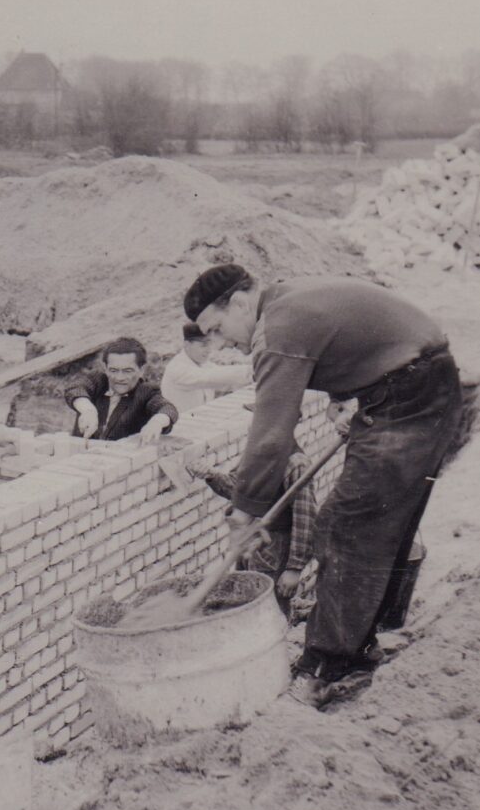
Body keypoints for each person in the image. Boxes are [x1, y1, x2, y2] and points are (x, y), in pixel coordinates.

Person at [183, 264, 463, 707]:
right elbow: (348, 339)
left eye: (218, 329)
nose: (222, 345)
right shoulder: (290, 301)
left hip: (411, 399)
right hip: (418, 386)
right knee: (379, 524)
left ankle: (327, 665)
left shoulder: (274, 329)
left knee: (342, 528)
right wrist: (342, 400)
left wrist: (244, 510)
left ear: (239, 303)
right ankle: (365, 641)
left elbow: (271, 432)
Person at [191, 439, 317, 621]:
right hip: (249, 541)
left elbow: (305, 517)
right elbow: (237, 489)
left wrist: (294, 568)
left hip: (274, 546)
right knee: (245, 601)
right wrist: (211, 474)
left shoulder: (296, 463)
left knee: (270, 609)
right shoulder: (256, 453)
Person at [65, 337, 178, 442]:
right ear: (105, 368)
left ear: (141, 370)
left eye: (127, 371)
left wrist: (156, 422)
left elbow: (167, 409)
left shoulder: (146, 392)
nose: (119, 378)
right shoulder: (98, 380)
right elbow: (75, 388)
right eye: (113, 370)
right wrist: (88, 410)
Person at [160, 322, 252, 414]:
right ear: (187, 345)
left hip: (199, 420)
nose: (209, 350)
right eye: (203, 345)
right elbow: (210, 377)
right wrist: (250, 371)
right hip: (181, 424)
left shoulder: (203, 363)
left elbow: (225, 380)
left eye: (210, 343)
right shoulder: (177, 368)